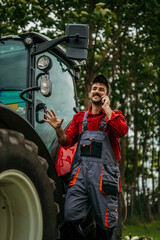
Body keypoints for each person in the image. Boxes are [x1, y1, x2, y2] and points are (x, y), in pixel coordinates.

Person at [43, 74, 129, 240]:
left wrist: (107, 109)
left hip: (104, 178)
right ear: (90, 93)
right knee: (69, 215)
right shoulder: (79, 118)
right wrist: (58, 130)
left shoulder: (114, 115)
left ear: (106, 95)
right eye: (94, 88)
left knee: (106, 223)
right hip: (81, 177)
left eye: (101, 90)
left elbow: (121, 131)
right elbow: (66, 142)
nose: (97, 91)